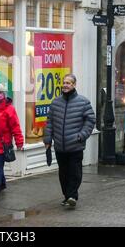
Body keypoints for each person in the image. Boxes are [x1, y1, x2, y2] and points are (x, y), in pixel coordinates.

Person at [43, 74, 96, 208]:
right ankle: (67, 196)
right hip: (60, 146)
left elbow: (90, 121)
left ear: (74, 85)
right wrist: (47, 139)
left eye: (68, 83)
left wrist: (81, 136)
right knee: (63, 173)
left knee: (74, 172)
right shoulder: (55, 103)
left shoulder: (83, 102)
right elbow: (49, 123)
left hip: (75, 145)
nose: (65, 85)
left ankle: (72, 196)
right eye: (64, 83)